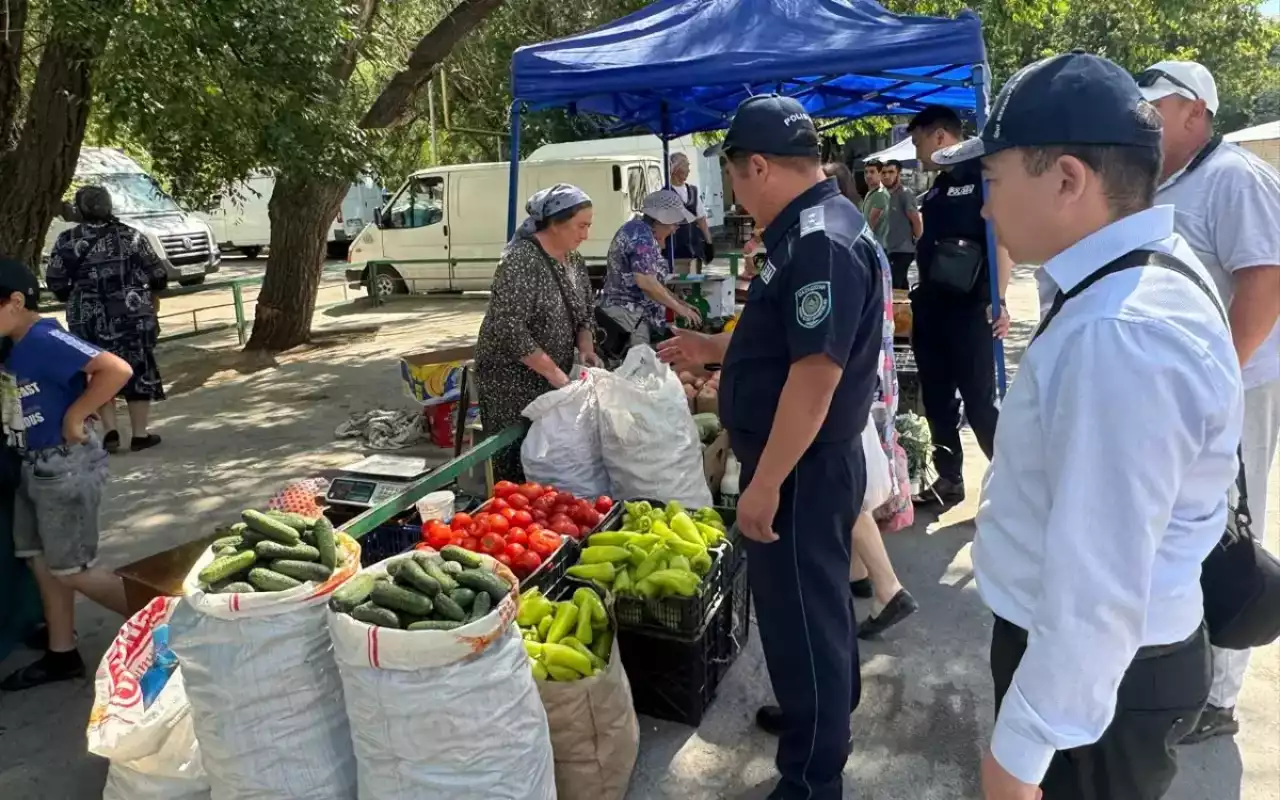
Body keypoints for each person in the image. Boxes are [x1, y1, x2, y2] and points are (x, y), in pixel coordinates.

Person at [933, 52, 1242, 799]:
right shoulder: (1143, 270)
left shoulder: (1119, 332)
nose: (984, 207)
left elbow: (1098, 588)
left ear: (1067, 178)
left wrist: (1022, 749)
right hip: (1112, 666)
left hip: (1100, 684)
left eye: (995, 181)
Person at [660, 95, 883, 800]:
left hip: (801, 467)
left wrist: (764, 485)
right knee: (817, 614)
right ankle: (819, 714)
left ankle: (811, 778)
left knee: (802, 624)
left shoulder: (820, 243)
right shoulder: (812, 229)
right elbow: (785, 338)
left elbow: (814, 378)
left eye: (733, 179)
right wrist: (713, 345)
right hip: (805, 461)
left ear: (756, 165)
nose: (734, 196)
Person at [1137, 59, 1280, 743]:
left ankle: (1221, 697)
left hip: (1235, 386)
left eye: (1155, 109)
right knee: (1190, 527)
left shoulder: (1234, 178)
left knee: (1231, 531)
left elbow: (1263, 284)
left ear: (1195, 110)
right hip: (1185, 390)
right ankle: (1189, 672)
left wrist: (1214, 377)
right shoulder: (1168, 181)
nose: (1145, 121)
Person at [0, 258, 135, 691]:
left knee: (72, 569)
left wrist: (77, 414)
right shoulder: (18, 341)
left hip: (62, 465)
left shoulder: (44, 338)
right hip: (32, 463)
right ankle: (62, 653)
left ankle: (171, 615)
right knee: (41, 561)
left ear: (16, 301)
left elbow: (116, 369)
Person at [824, 161, 919, 634]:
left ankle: (887, 588)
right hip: (870, 381)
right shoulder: (861, 236)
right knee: (854, 485)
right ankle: (862, 576)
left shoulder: (839, 243)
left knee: (849, 491)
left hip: (854, 388)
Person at [907, 105, 1012, 505]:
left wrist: (998, 299)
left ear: (940, 137)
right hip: (933, 310)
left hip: (971, 311)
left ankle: (1012, 486)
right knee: (936, 399)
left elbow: (1001, 239)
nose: (916, 151)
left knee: (979, 401)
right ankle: (949, 477)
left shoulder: (981, 178)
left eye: (918, 142)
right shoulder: (936, 188)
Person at [475, 184, 600, 482]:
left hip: (553, 378)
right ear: (555, 223)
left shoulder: (574, 260)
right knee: (517, 458)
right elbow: (509, 329)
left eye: (588, 226)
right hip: (512, 383)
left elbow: (584, 314)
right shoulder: (521, 261)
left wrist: (586, 348)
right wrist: (555, 375)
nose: (586, 235)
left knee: (550, 456)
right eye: (580, 226)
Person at [46, 185, 169, 453]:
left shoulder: (67, 240)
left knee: (98, 371)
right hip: (131, 315)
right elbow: (159, 274)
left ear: (80, 209)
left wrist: (80, 294)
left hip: (86, 319)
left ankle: (110, 431)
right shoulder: (131, 236)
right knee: (137, 368)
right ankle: (139, 435)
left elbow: (55, 281)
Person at [598, 189, 704, 348]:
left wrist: (680, 302)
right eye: (674, 223)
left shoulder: (641, 232)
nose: (675, 229)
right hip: (627, 318)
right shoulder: (641, 235)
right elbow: (646, 282)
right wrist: (680, 309)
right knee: (636, 368)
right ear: (661, 220)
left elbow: (655, 282)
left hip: (633, 317)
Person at [667, 153, 715, 275]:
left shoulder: (693, 191)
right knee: (677, 290)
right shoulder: (665, 193)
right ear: (675, 168)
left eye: (688, 166)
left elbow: (701, 220)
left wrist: (709, 243)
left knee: (693, 289)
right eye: (685, 165)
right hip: (674, 255)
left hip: (694, 253)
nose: (688, 170)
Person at [878, 160, 921, 290]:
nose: (887, 176)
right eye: (884, 172)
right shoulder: (881, 195)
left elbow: (915, 219)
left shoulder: (905, 193)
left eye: (891, 172)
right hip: (887, 249)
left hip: (902, 250)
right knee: (900, 286)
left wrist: (917, 239)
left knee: (894, 285)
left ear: (898, 173)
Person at [861, 159, 891, 247]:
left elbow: (870, 225)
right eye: (866, 172)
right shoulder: (871, 193)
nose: (868, 175)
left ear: (880, 174)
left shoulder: (880, 194)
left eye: (872, 172)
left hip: (876, 246)